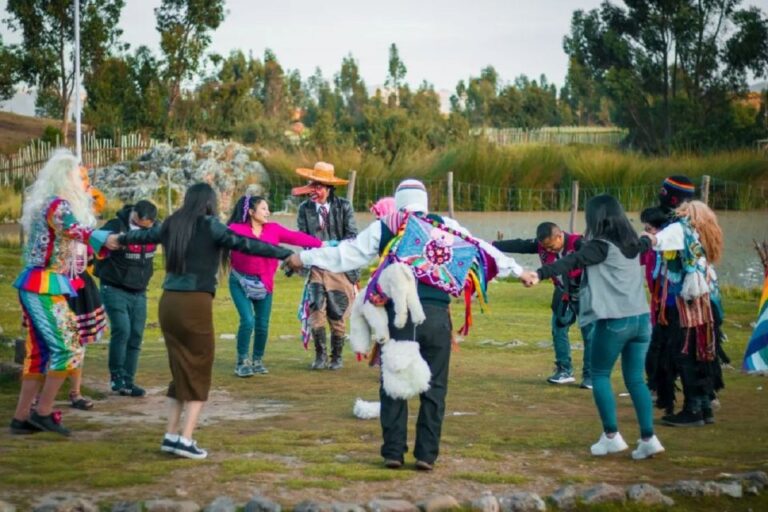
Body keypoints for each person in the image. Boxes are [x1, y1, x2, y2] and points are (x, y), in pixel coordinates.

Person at [286, 179, 523, 470]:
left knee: (393, 386)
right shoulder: (445, 224)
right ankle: (426, 455)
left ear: (398, 200)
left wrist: (303, 257)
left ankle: (393, 452)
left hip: (400, 318)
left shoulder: (387, 225)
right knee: (435, 387)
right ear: (425, 201)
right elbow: (482, 248)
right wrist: (520, 270)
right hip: (437, 317)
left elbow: (346, 254)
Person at [107, 183, 294, 460]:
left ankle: (171, 435)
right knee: (198, 368)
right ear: (209, 202)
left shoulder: (172, 223)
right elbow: (248, 245)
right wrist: (285, 253)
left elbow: (144, 235)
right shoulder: (211, 225)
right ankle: (185, 438)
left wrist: (118, 240)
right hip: (194, 303)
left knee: (181, 370)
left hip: (168, 302)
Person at [522, 194, 664, 460]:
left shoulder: (599, 246)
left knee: (599, 376)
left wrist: (539, 274)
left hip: (614, 322)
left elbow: (570, 261)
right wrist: (654, 238)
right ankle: (648, 438)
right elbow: (650, 240)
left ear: (594, 218)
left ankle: (611, 436)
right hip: (642, 321)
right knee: (635, 380)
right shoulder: (636, 242)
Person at [10, 150, 109, 436]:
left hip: (39, 282)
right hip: (44, 285)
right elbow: (76, 229)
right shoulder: (59, 206)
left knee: (40, 353)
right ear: (66, 178)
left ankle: (21, 418)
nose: (83, 181)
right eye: (78, 176)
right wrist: (106, 239)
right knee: (70, 347)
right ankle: (42, 412)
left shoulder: (48, 204)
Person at [642, 199, 725, 427]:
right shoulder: (703, 237)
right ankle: (704, 406)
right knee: (701, 352)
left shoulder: (681, 229)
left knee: (684, 353)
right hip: (704, 303)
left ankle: (693, 409)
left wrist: (647, 238)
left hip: (683, 304)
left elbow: (658, 241)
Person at [225, 194, 322, 377]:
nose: (268, 212)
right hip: (240, 281)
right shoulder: (234, 229)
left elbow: (295, 237)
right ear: (251, 212)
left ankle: (257, 360)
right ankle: (242, 361)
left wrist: (322, 244)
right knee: (247, 320)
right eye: (263, 208)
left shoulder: (273, 229)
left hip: (264, 283)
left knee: (262, 324)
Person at [494, 222, 593, 388]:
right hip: (562, 293)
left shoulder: (578, 244)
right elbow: (520, 244)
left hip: (585, 293)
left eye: (551, 246)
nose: (548, 250)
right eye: (544, 247)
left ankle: (591, 375)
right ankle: (564, 370)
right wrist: (491, 246)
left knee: (590, 334)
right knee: (558, 329)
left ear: (560, 236)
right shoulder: (541, 246)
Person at [292, 161, 358, 370]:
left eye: (319, 186)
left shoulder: (343, 206)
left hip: (339, 266)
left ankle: (336, 357)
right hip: (317, 268)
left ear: (329, 188)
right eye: (312, 185)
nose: (315, 190)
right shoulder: (304, 209)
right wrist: (314, 249)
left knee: (336, 311)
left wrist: (334, 245)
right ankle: (320, 356)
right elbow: (302, 238)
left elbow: (352, 236)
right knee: (316, 308)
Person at [94, 200, 159, 397]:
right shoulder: (115, 226)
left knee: (136, 334)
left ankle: (129, 381)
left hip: (140, 290)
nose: (141, 230)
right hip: (113, 287)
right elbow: (94, 240)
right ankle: (117, 377)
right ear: (134, 215)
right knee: (122, 330)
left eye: (145, 227)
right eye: (138, 224)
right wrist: (107, 240)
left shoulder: (157, 228)